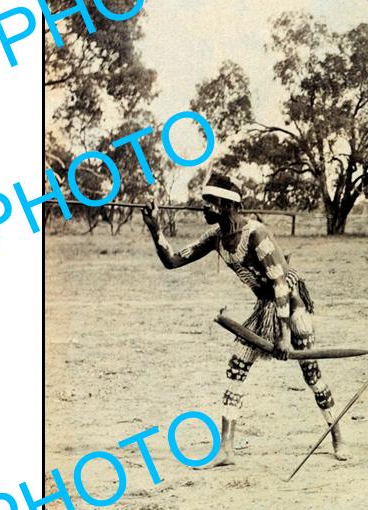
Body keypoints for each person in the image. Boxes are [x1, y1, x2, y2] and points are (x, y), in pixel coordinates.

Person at [140, 174, 345, 467]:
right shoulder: (215, 238)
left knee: (311, 374)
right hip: (264, 308)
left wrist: (284, 337)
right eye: (204, 202)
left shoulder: (256, 233)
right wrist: (155, 228)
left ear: (227, 205)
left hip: (290, 307)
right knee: (235, 371)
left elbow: (281, 286)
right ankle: (227, 450)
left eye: (209, 203)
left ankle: (337, 434)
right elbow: (172, 260)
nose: (204, 208)